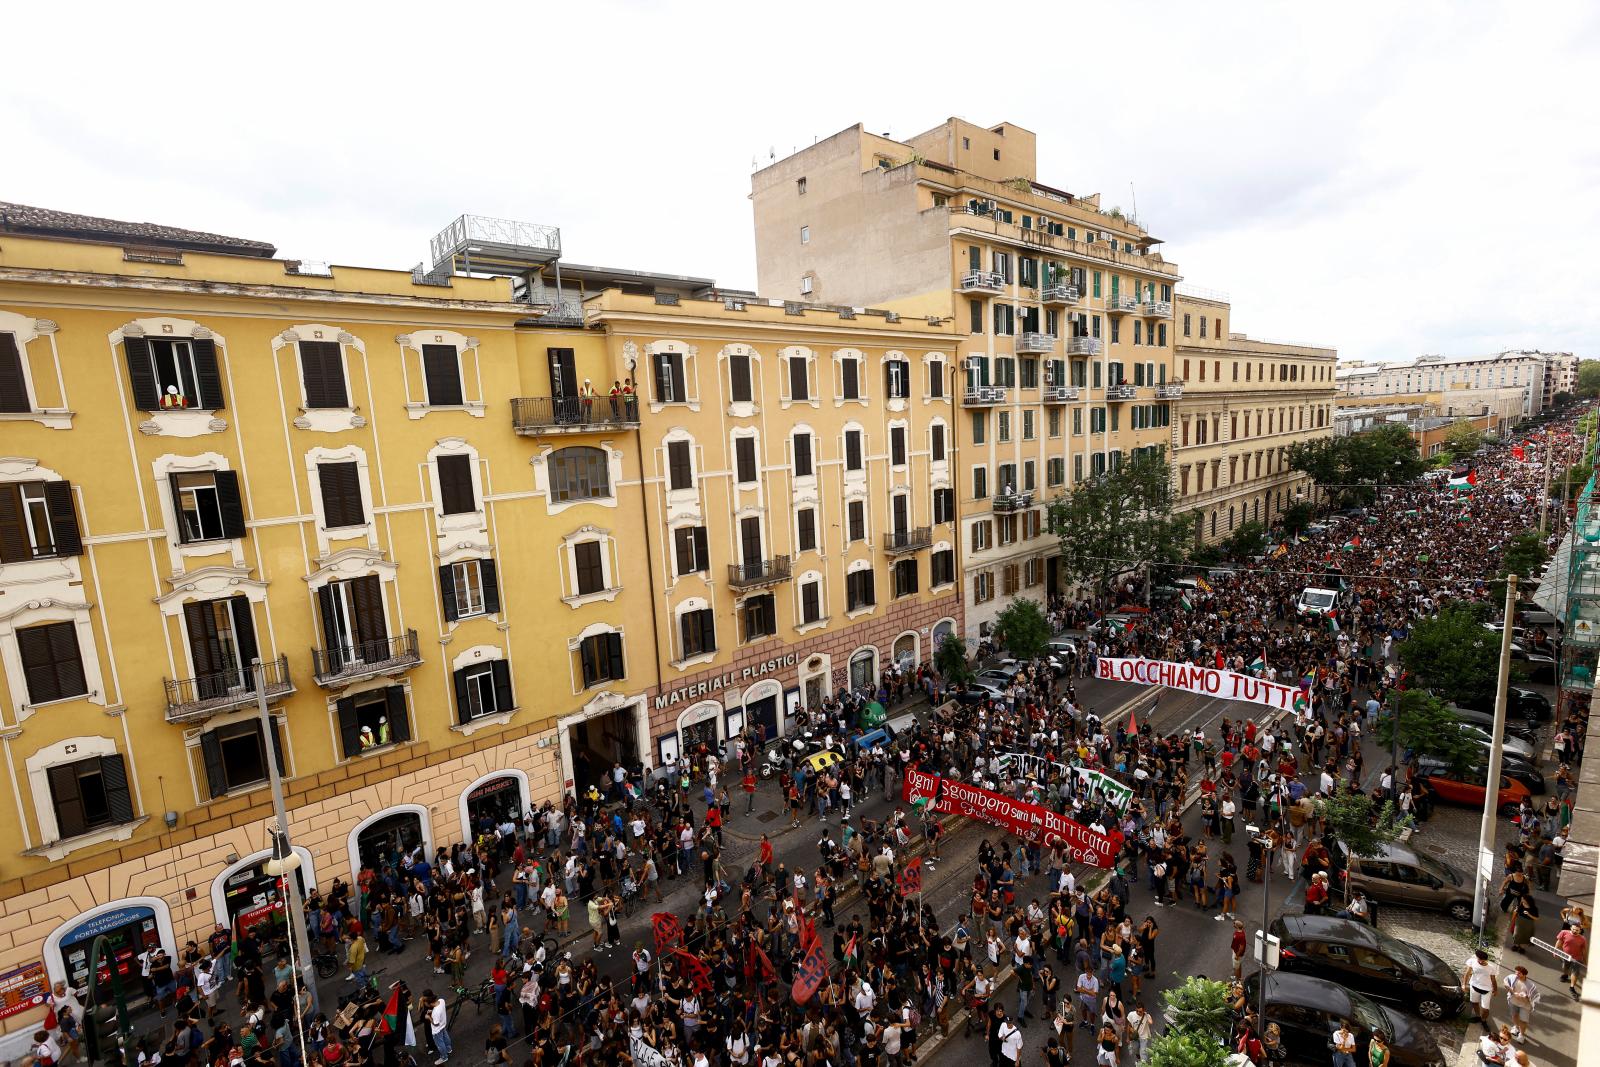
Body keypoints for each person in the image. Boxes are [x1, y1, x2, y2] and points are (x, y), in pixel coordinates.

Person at [1463, 948, 1499, 1029]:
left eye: (1483, 960)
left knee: (1485, 1008)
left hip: (1486, 989)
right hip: (1474, 986)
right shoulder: (1472, 961)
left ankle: (1483, 1020)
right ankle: (1478, 1016)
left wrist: (1495, 989)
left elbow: (1493, 979)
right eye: (1479, 959)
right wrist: (1464, 984)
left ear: (1486, 960)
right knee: (1474, 1002)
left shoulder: (1491, 967)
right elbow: (1467, 973)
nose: (1480, 962)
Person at [1503, 966, 1538, 1041]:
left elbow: (1534, 998)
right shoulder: (1512, 978)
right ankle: (1516, 1027)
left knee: (1523, 1020)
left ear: (1524, 974)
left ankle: (1521, 1035)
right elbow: (1506, 984)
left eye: (1519, 973)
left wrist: (1525, 997)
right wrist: (1513, 992)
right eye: (1516, 972)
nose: (1516, 974)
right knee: (1514, 1015)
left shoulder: (1530, 985)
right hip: (1513, 1001)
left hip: (1525, 1005)